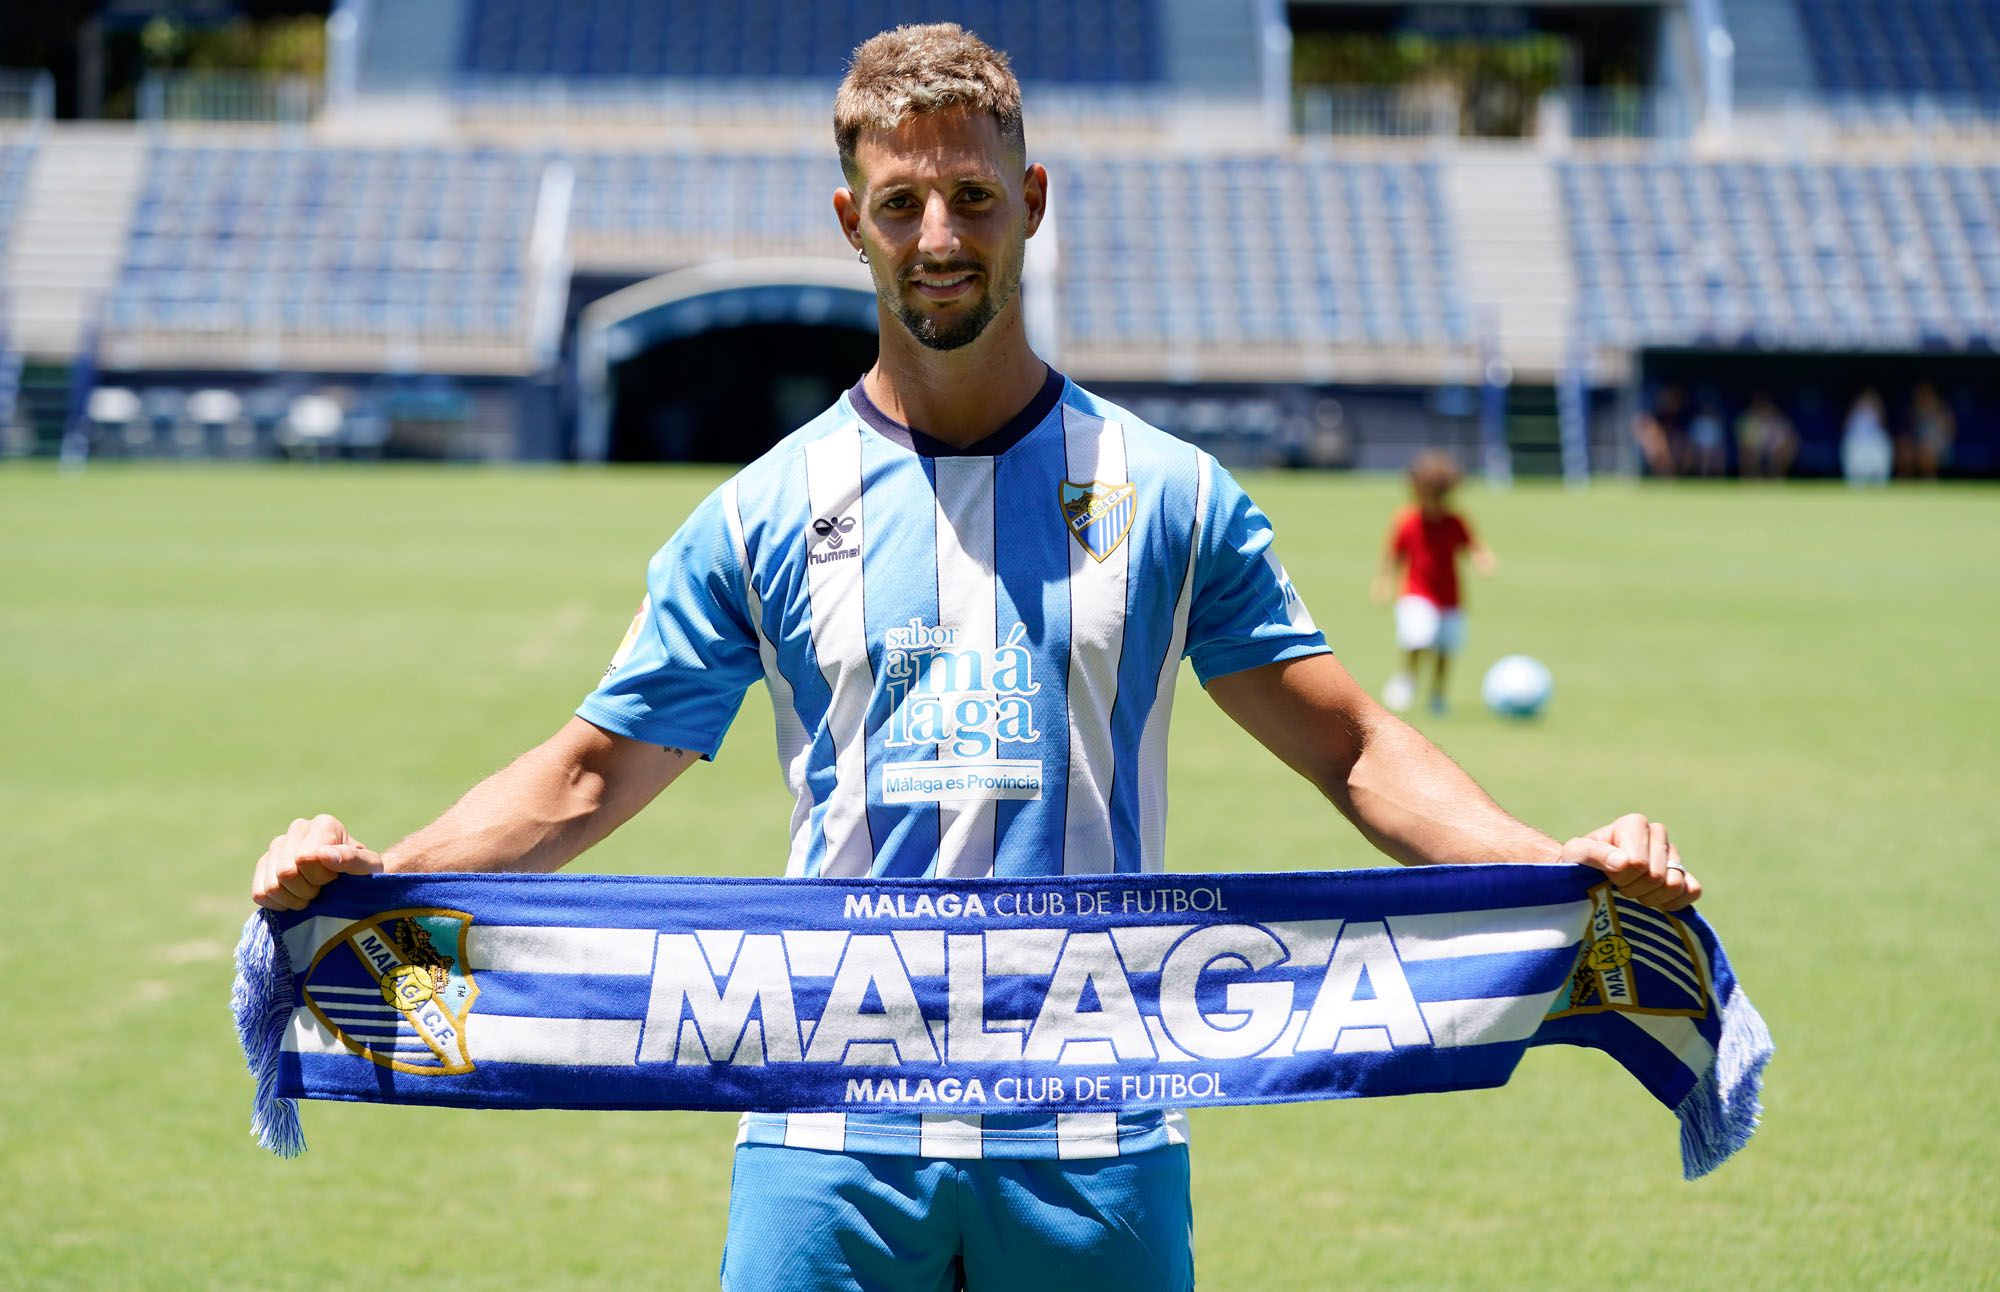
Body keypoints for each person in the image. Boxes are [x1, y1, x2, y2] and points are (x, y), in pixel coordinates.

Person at [251, 25, 1701, 1292]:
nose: (939, 235)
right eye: (901, 203)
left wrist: (1554, 869)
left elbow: (1355, 746)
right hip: (827, 1130)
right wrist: (380, 879)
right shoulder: (761, 511)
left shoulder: (1170, 492)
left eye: (972, 197)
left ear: (1034, 204)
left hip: (1097, 1132)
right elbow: (587, 773)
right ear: (850, 220)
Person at [1372, 450, 1495, 716]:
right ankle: (1407, 679)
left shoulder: (1455, 521)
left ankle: (1438, 694)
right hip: (1417, 592)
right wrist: (1384, 582)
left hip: (1449, 597)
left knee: (1446, 649)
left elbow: (1472, 545)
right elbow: (1393, 554)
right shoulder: (1408, 521)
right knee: (1417, 638)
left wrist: (1483, 559)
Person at [1733, 391, 1797, 481]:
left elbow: (1789, 436)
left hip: (1772, 449)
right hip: (1754, 447)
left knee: (1785, 449)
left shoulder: (1777, 419)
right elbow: (1743, 439)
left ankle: (1776, 479)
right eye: (1759, 403)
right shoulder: (1747, 418)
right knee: (1748, 451)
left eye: (1764, 403)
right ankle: (1752, 479)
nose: (1762, 406)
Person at [1841, 388, 1892, 487]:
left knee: (1883, 442)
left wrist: (1878, 407)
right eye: (1864, 401)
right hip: (1857, 446)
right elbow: (1845, 429)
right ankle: (1856, 483)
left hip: (1874, 447)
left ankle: (1879, 482)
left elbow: (1883, 428)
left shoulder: (1876, 414)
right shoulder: (1854, 415)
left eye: (1869, 401)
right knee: (1851, 445)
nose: (1866, 404)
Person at [1903, 382, 1955, 480]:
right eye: (1921, 395)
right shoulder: (1915, 413)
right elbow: (1910, 435)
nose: (1924, 398)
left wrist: (1931, 445)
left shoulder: (1943, 412)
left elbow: (1948, 437)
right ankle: (1905, 482)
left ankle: (1929, 481)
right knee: (1905, 448)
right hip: (1919, 446)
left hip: (1939, 449)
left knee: (1927, 451)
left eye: (1926, 394)